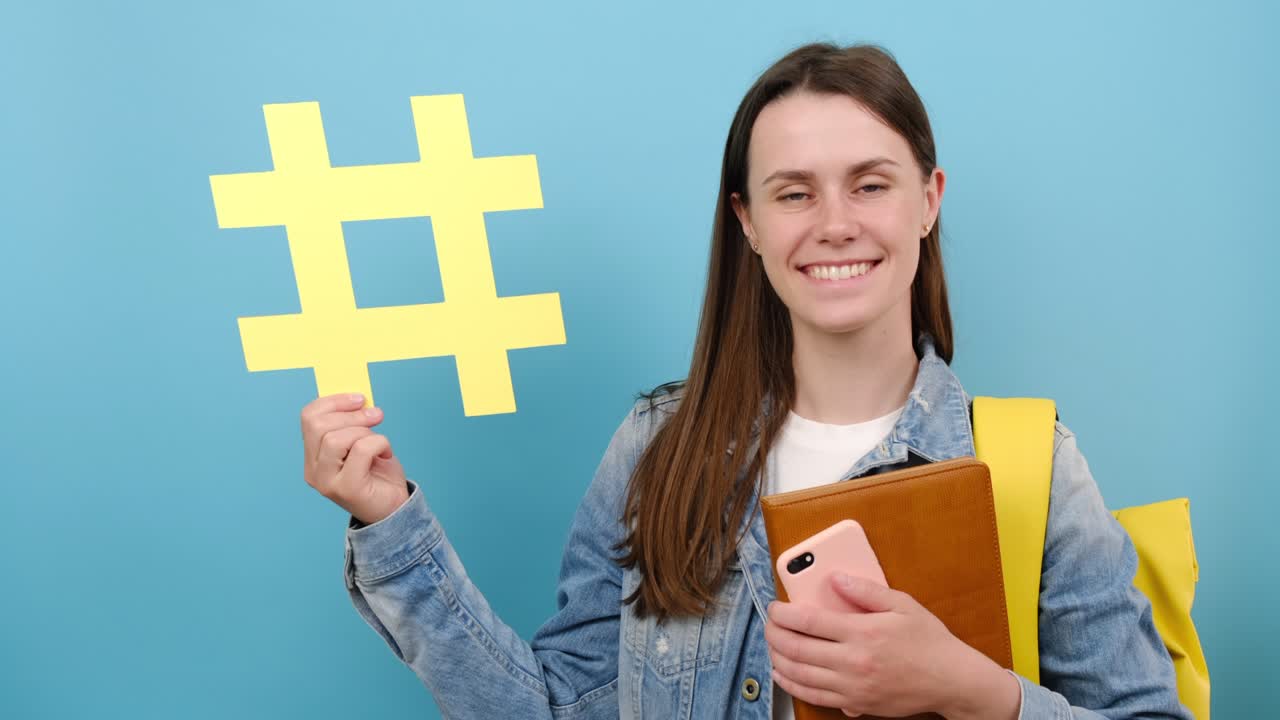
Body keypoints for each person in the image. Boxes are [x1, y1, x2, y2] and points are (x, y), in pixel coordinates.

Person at [299, 43, 1191, 719]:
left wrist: (970, 689)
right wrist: (390, 525)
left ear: (929, 198)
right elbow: (559, 706)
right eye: (794, 193)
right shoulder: (659, 448)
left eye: (870, 185)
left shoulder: (1035, 467)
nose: (835, 223)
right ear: (749, 223)